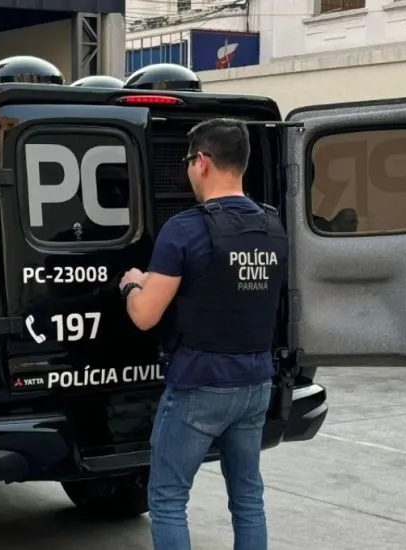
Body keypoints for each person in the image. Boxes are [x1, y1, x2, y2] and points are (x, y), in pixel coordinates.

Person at [118, 118, 289, 550]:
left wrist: (132, 283)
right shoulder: (273, 227)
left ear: (202, 162)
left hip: (199, 384)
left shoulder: (186, 228)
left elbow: (144, 315)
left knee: (169, 498)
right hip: (254, 383)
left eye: (189, 161)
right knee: (248, 499)